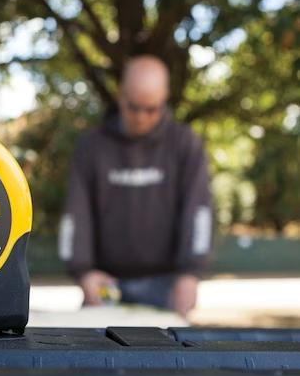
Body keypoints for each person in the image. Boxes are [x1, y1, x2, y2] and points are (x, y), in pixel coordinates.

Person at [58, 55, 211, 317]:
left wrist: (191, 273)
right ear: (121, 95)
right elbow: (76, 213)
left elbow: (198, 211)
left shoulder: (185, 144)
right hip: (106, 284)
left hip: (167, 285)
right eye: (133, 107)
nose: (141, 117)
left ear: (164, 98)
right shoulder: (92, 147)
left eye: (151, 109)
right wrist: (83, 271)